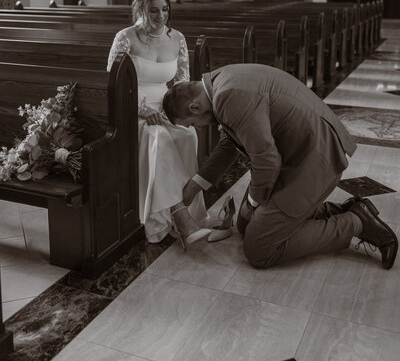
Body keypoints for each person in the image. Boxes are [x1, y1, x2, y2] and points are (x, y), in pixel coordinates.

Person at [162, 63, 398, 269]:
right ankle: (343, 210)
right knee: (246, 226)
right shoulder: (218, 82)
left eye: (193, 124)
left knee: (259, 249)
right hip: (294, 152)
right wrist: (192, 190)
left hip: (315, 159)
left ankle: (356, 222)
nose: (199, 128)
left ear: (194, 107)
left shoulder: (228, 95)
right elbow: (228, 145)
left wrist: (254, 202)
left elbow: (266, 159)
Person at [107, 0, 210, 247]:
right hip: (131, 111)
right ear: (141, 7)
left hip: (166, 108)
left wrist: (171, 113)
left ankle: (188, 211)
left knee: (188, 136)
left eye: (165, 9)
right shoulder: (125, 38)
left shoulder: (177, 39)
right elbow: (113, 87)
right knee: (159, 140)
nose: (161, 16)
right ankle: (180, 218)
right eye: (154, 10)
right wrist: (141, 111)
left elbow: (182, 87)